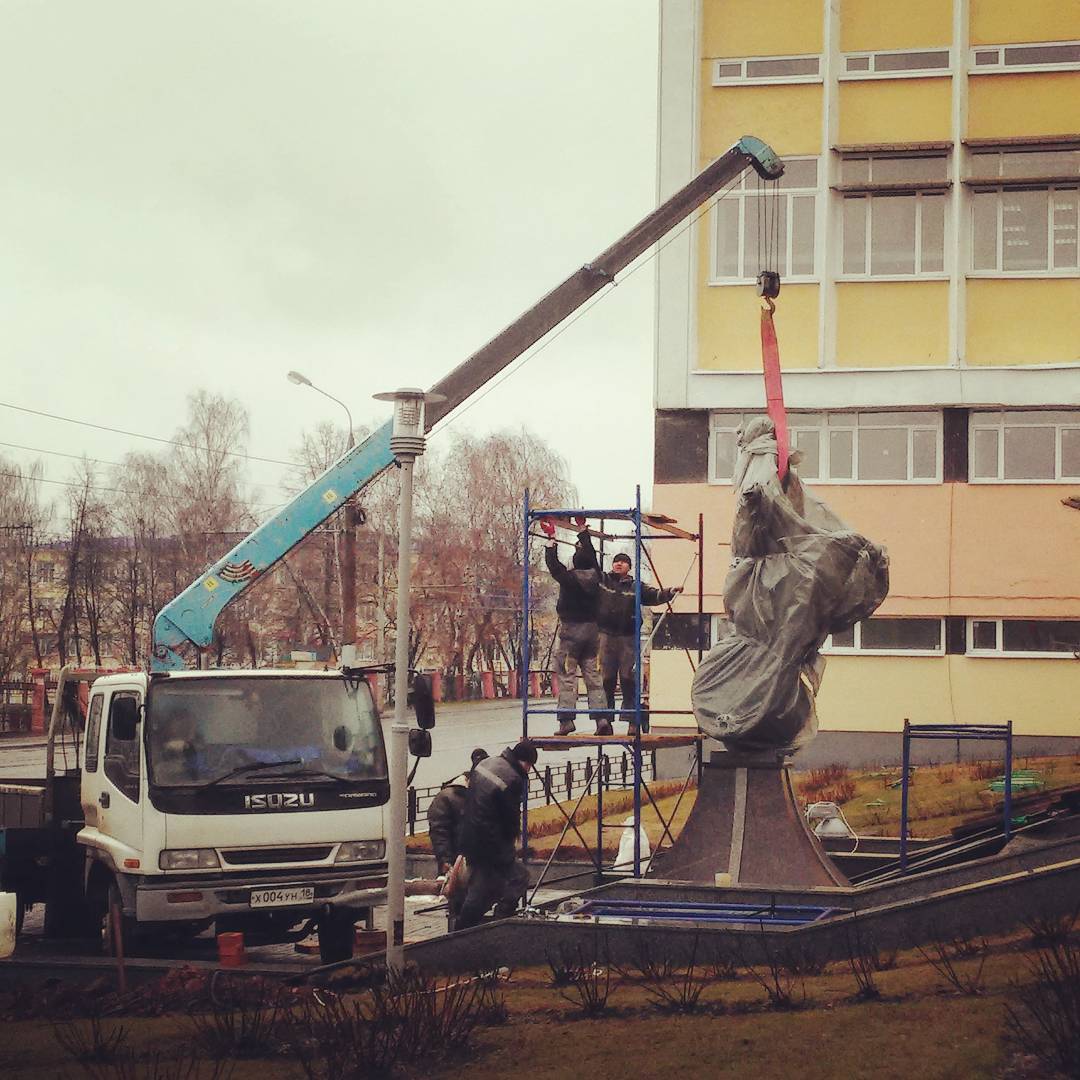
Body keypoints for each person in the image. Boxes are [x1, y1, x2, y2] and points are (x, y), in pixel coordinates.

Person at [454, 740, 537, 930]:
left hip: (470, 839)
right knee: (519, 877)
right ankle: (499, 923)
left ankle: (463, 929)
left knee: (480, 888)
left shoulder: (486, 764)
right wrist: (508, 852)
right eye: (530, 765)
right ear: (524, 761)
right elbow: (509, 819)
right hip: (489, 843)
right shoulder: (513, 778)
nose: (530, 770)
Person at [540, 516, 608, 736]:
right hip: (592, 632)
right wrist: (583, 531)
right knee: (594, 678)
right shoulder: (597, 576)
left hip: (571, 633)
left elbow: (553, 565)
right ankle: (602, 719)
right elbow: (592, 554)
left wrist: (551, 538)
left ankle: (566, 720)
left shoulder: (569, 578)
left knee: (567, 676)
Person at [598, 553, 681, 734]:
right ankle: (604, 721)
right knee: (606, 681)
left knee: (629, 679)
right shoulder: (603, 581)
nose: (619, 564)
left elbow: (654, 595)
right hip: (606, 636)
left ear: (629, 566)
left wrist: (670, 592)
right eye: (616, 561)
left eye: (623, 562)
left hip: (628, 637)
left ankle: (632, 722)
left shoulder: (636, 587)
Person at [427, 747, 489, 877]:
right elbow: (439, 832)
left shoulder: (486, 795)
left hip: (483, 866)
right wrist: (446, 861)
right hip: (457, 866)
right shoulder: (448, 797)